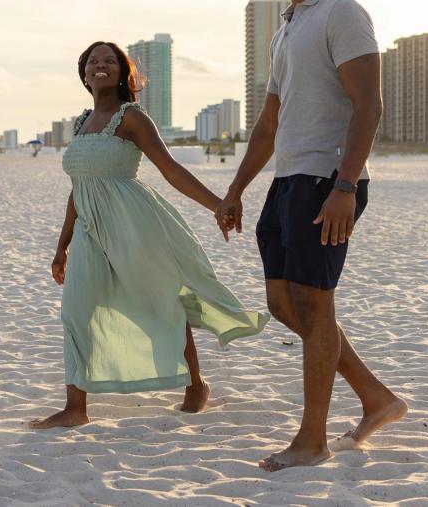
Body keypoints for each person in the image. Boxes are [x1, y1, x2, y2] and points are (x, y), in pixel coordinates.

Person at [216, 0, 407, 471]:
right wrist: (234, 189)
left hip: (328, 179)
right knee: (284, 305)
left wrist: (346, 185)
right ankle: (376, 398)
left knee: (316, 306)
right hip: (287, 180)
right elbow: (269, 125)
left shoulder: (341, 11)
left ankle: (312, 439)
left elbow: (368, 105)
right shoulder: (285, 27)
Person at [30, 41, 268, 429]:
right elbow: (80, 186)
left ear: (123, 73)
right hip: (91, 230)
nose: (100, 65)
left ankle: (196, 385)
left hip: (132, 226)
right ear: (84, 73)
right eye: (93, 61)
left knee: (162, 302)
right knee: (76, 310)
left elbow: (171, 170)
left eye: (109, 61)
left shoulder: (132, 118)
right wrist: (62, 243)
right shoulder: (81, 122)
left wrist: (218, 205)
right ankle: (75, 408)